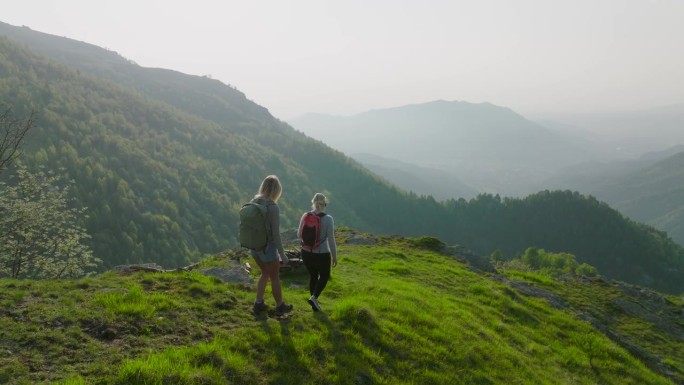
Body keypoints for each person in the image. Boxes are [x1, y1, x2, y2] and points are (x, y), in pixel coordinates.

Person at [250, 175, 293, 316]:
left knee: (265, 273)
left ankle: (258, 303)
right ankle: (280, 306)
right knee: (274, 277)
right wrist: (282, 254)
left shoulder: (254, 201)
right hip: (268, 248)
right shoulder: (273, 207)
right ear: (277, 190)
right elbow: (276, 234)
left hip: (255, 246)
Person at [297, 193, 338, 312]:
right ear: (325, 204)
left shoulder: (306, 215)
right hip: (322, 254)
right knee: (324, 276)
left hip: (306, 253)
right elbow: (331, 239)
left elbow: (299, 235)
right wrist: (334, 256)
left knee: (313, 276)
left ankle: (313, 303)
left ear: (313, 202)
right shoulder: (328, 219)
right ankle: (314, 297)